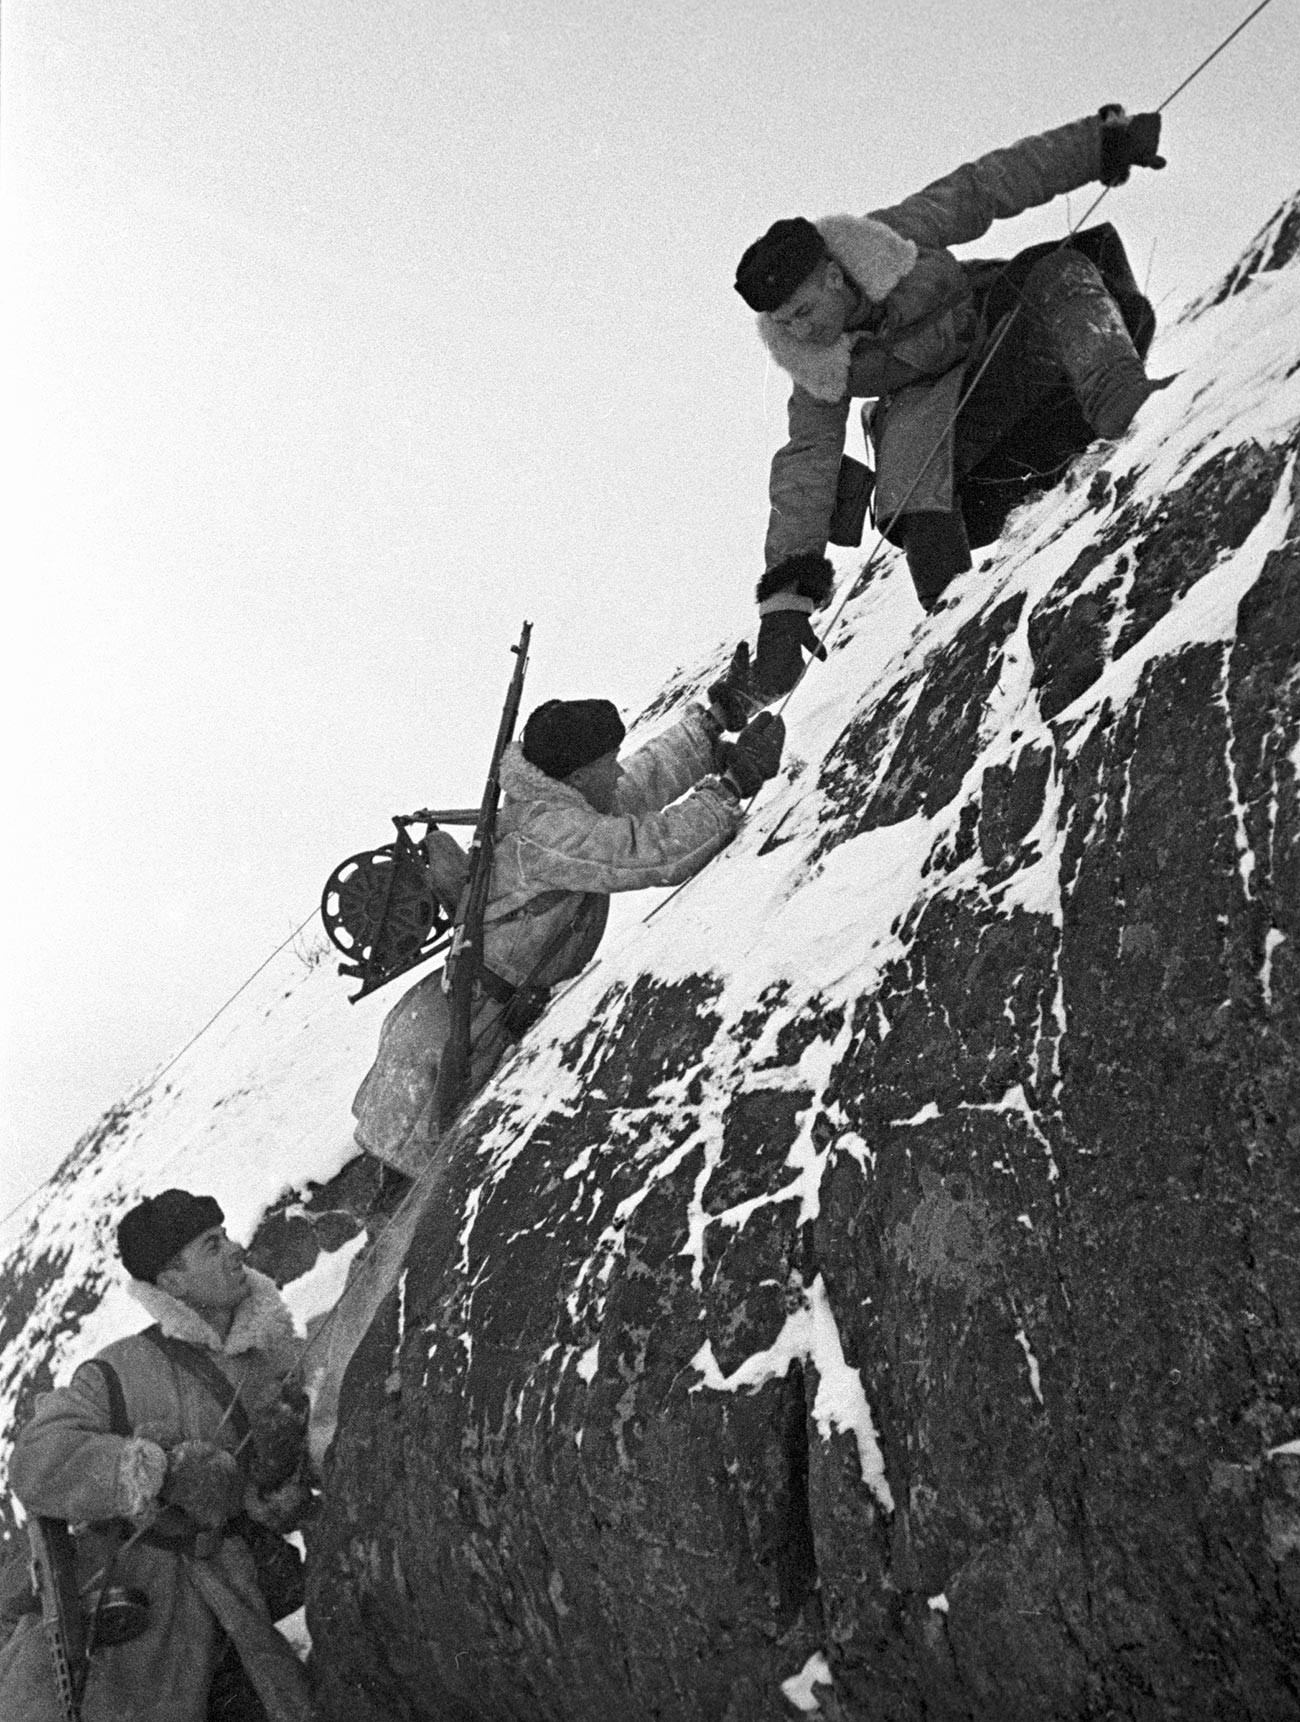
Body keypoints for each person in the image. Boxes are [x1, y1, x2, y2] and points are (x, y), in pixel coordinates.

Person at [734, 105, 1168, 689]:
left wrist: (1099, 145)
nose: (800, 332)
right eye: (785, 324)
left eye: (805, 312)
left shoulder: (891, 239)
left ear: (834, 276)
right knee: (923, 525)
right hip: (959, 465)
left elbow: (985, 186)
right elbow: (806, 467)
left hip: (1014, 355)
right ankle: (964, 644)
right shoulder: (819, 366)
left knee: (1058, 270)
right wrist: (785, 607)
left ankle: (1140, 421)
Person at [0, 1190, 325, 1722]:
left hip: (229, 1621)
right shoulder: (117, 1368)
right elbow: (36, 1460)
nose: (235, 1248)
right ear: (170, 1280)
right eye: (210, 1243)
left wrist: (276, 1472)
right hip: (118, 1630)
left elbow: (285, 1506)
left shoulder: (278, 1359)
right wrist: (157, 1469)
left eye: (225, 1233)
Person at [351, 694, 786, 1179]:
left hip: (453, 1014)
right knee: (411, 1193)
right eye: (607, 764)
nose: (618, 773)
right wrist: (732, 786)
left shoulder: (552, 807)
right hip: (461, 1033)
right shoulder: (548, 835)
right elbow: (651, 852)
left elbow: (633, 788)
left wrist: (707, 732)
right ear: (577, 776)